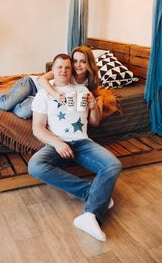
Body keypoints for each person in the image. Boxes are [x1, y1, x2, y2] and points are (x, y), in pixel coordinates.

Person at [28, 53, 122, 242]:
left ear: (72, 70)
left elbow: (94, 122)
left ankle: (89, 215)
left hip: (83, 142)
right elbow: (37, 128)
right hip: (58, 142)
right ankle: (93, 194)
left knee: (114, 165)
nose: (63, 70)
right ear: (52, 70)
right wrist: (57, 143)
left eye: (67, 67)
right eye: (59, 67)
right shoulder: (44, 92)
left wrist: (94, 105)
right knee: (35, 166)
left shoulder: (82, 89)